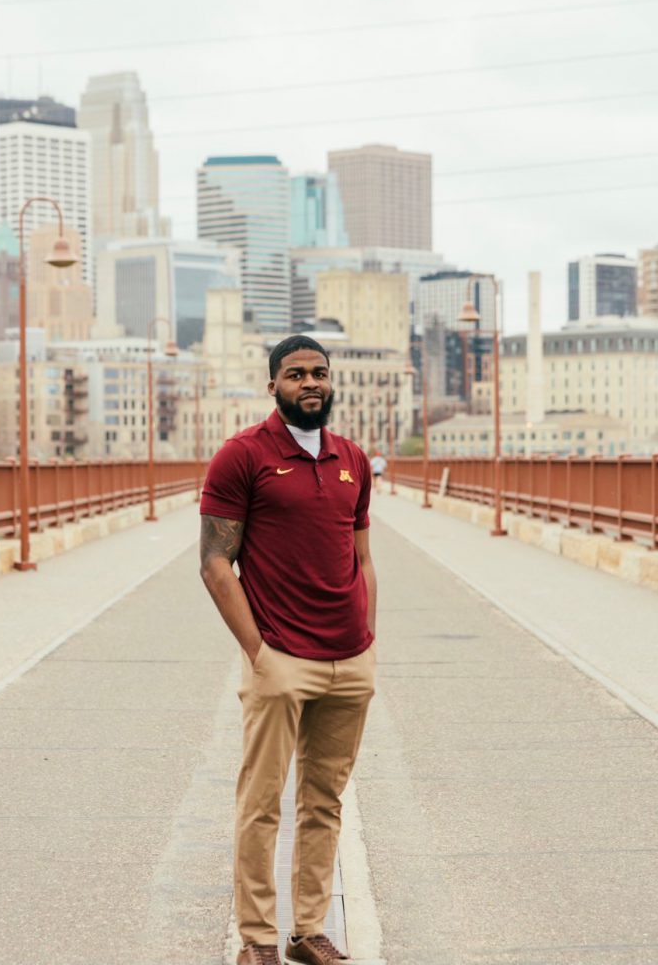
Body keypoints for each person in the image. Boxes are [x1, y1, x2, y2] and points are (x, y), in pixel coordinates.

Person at [199, 335, 377, 965]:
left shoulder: (351, 457)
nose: (310, 383)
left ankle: (308, 929)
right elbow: (216, 564)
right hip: (280, 658)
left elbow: (362, 556)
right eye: (296, 374)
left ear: (331, 383)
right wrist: (259, 653)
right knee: (261, 802)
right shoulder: (242, 456)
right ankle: (256, 940)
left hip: (349, 658)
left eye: (319, 373)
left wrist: (368, 641)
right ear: (272, 384)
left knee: (325, 801)